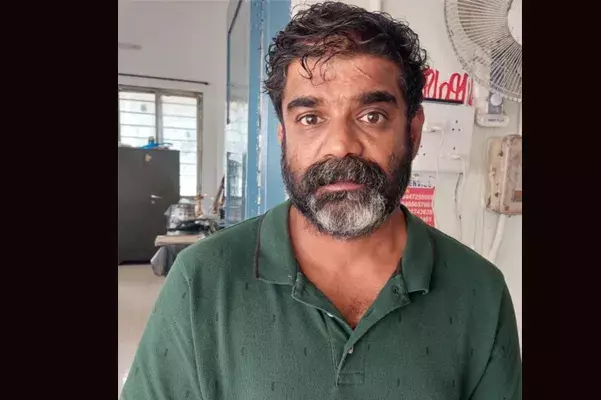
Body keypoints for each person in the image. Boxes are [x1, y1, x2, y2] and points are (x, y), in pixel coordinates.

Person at [121, 2, 522, 399]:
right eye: (310, 119)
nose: (341, 146)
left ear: (413, 133)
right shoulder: (202, 279)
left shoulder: (479, 291)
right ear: (283, 137)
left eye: (372, 116)